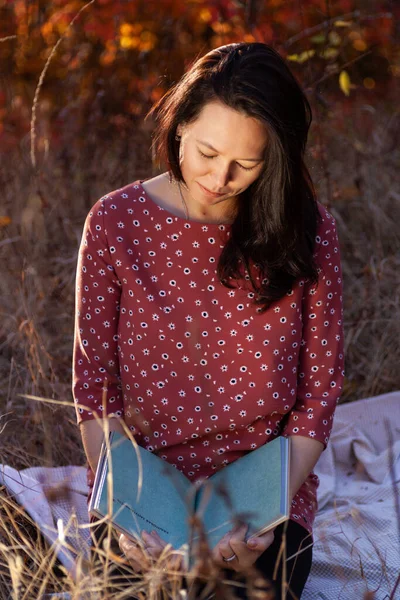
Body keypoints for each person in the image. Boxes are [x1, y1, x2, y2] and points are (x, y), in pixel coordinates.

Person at [72, 41, 344, 599]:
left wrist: (262, 516)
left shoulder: (310, 232)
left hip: (262, 498)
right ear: (179, 127)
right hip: (145, 490)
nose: (219, 178)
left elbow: (318, 399)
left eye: (246, 164)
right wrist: (131, 516)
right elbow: (95, 390)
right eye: (206, 152)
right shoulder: (116, 223)